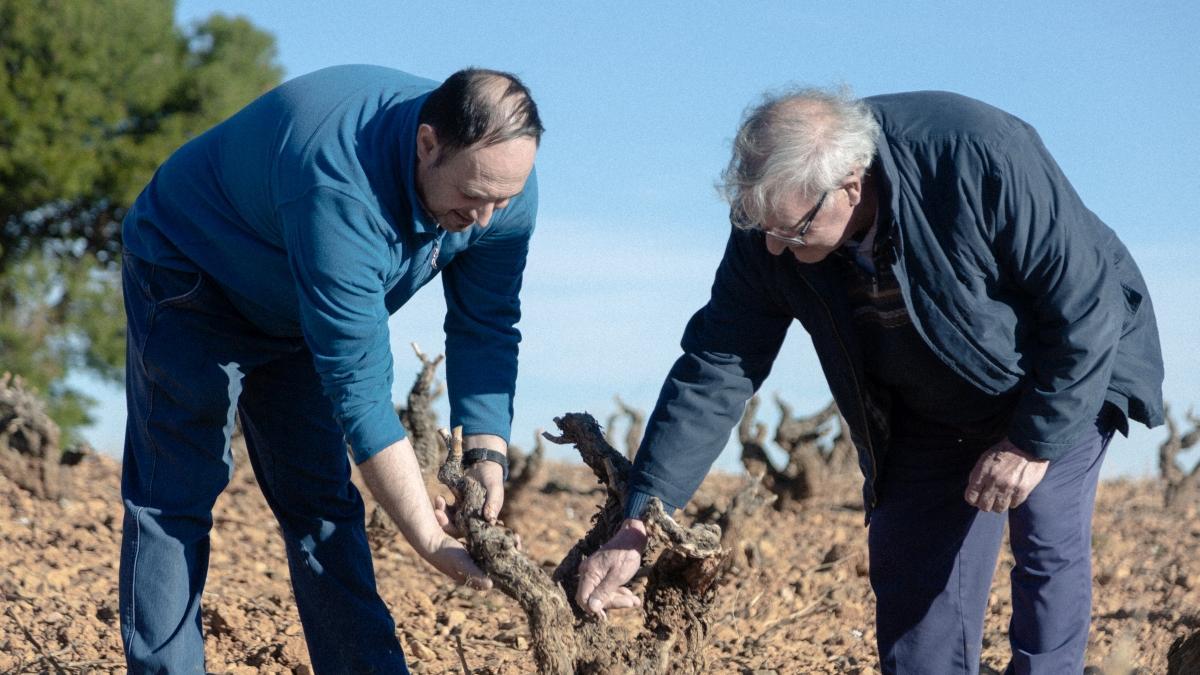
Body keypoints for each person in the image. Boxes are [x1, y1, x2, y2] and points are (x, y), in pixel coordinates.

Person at [577, 87, 1163, 674]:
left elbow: (1084, 304)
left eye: (795, 230)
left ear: (850, 185)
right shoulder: (770, 223)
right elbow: (717, 364)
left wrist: (1034, 442)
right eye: (764, 229)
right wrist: (643, 515)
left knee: (1045, 538)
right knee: (910, 564)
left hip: (1062, 367)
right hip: (924, 400)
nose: (777, 246)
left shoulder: (975, 152)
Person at [118, 64, 542, 673]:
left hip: (296, 304)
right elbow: (362, 395)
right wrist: (427, 536)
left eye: (500, 200)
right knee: (175, 492)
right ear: (428, 144)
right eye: (472, 196)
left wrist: (486, 456)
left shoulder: (503, 185)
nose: (484, 217)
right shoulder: (341, 183)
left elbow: (488, 323)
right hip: (193, 273)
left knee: (321, 502)